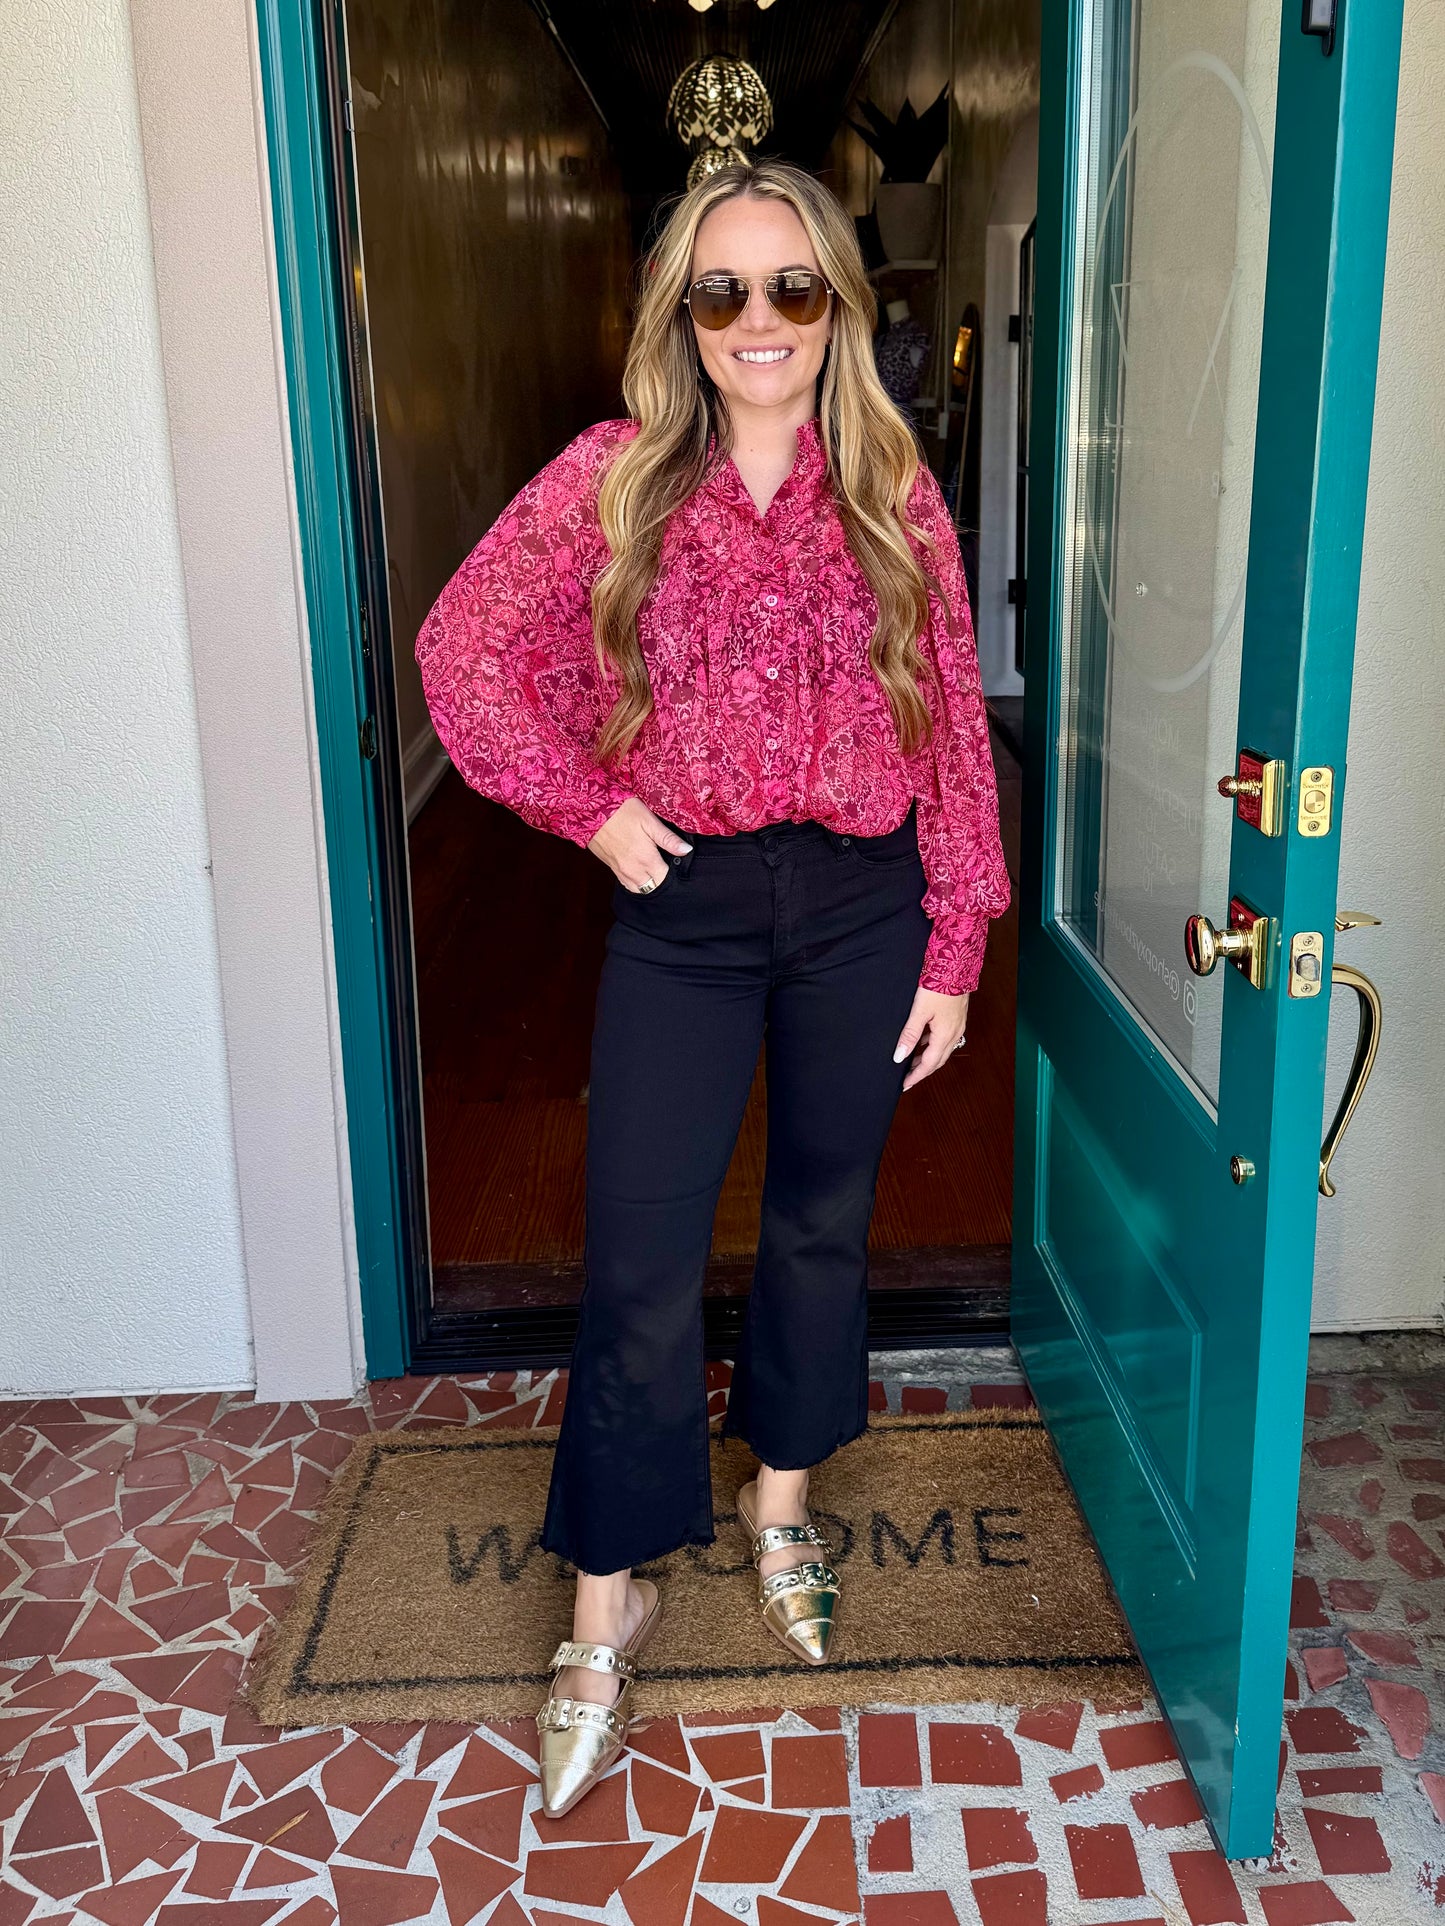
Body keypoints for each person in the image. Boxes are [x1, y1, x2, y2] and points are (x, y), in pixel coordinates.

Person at [415, 158, 1009, 1815]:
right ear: (680, 314)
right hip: (679, 898)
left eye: (792, 289)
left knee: (824, 1217)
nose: (759, 322)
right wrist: (591, 810)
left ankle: (780, 1506)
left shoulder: (896, 493)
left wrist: (954, 939)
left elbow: (951, 719)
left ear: (839, 305)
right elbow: (462, 650)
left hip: (859, 899)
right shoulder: (613, 480)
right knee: (639, 1248)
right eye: (722, 292)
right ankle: (608, 1598)